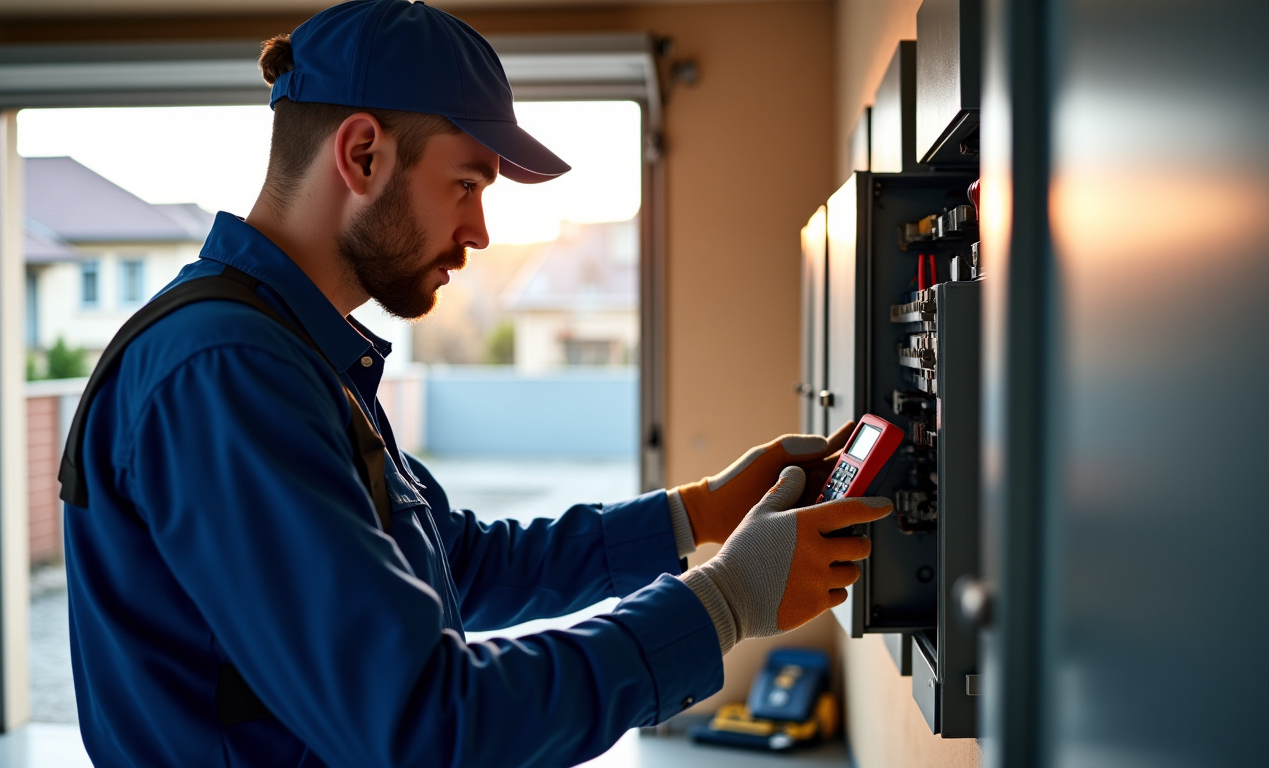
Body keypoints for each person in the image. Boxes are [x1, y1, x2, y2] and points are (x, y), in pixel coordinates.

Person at [60, 2, 892, 766]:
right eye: (466, 184)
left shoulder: (293, 353)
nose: (481, 231)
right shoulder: (227, 374)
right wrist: (727, 602)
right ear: (361, 153)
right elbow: (427, 722)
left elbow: (455, 563)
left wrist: (701, 512)